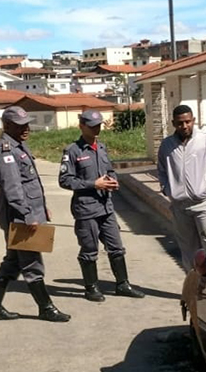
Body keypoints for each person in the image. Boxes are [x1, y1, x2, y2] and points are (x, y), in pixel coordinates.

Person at [0, 106, 71, 323]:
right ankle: (46, 308)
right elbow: (13, 188)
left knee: (13, 262)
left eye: (27, 124)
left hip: (28, 212)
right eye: (20, 125)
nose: (26, 129)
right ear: (7, 125)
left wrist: (42, 208)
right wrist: (27, 215)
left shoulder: (18, 146)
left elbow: (30, 183)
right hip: (19, 216)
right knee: (32, 263)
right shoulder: (6, 151)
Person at [58, 109, 146, 302]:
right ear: (82, 126)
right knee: (89, 250)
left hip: (106, 207)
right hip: (86, 209)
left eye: (98, 125)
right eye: (92, 126)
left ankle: (123, 284)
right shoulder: (73, 151)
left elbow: (109, 170)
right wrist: (93, 184)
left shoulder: (102, 147)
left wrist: (113, 180)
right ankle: (91, 287)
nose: (96, 129)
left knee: (116, 247)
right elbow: (65, 180)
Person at [157, 104, 206, 270]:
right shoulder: (167, 145)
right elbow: (161, 170)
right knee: (189, 252)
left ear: (193, 120)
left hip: (204, 205)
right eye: (179, 123)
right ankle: (193, 283)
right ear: (173, 123)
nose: (184, 126)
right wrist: (167, 189)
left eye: (188, 122)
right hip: (180, 207)